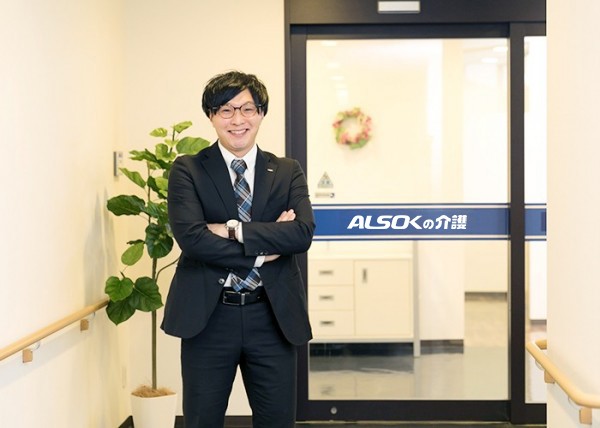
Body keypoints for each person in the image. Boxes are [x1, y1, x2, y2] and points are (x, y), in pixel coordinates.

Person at [161, 70, 315, 427]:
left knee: (277, 421)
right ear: (211, 116)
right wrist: (264, 248)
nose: (237, 120)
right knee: (202, 421)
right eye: (226, 110)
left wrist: (230, 230)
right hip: (210, 317)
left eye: (247, 109)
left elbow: (301, 234)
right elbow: (192, 239)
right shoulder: (188, 169)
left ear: (261, 113)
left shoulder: (287, 171)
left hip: (272, 316)